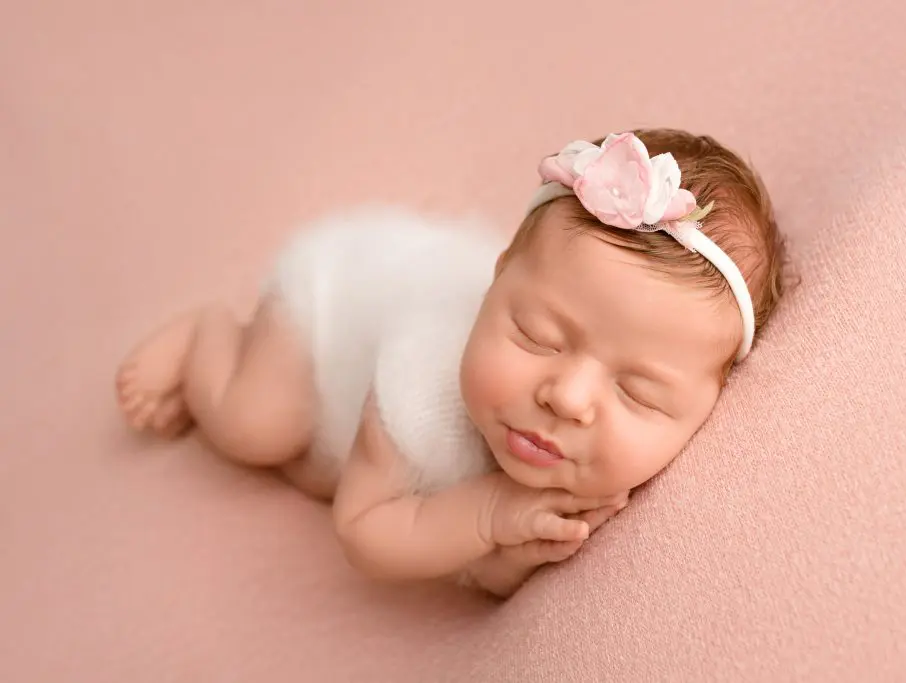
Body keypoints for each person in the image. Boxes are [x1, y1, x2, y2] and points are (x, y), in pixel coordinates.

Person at [114, 128, 787, 597]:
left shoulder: (591, 448)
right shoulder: (426, 371)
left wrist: (513, 556)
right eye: (537, 335)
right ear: (496, 286)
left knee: (328, 469)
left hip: (393, 320)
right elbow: (364, 532)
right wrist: (491, 512)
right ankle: (206, 338)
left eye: (638, 391)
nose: (569, 395)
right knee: (257, 427)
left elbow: (478, 575)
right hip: (332, 298)